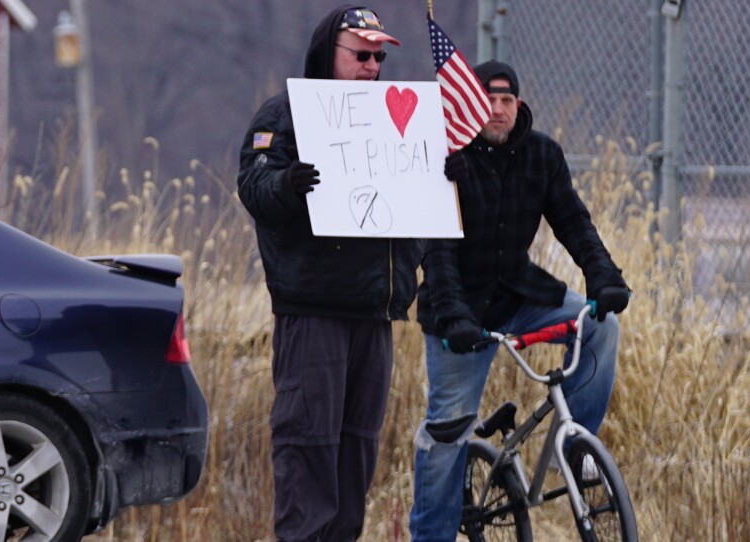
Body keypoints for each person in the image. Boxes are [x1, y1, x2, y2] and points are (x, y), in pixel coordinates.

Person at [408, 60, 631, 541]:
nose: (497, 109)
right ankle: (430, 536)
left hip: (520, 296)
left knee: (599, 326)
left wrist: (604, 276)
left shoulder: (542, 155)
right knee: (448, 436)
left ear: (519, 105)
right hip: (458, 314)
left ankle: (578, 448)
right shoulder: (449, 158)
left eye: (506, 101)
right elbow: (437, 252)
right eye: (488, 100)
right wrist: (453, 317)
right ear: (469, 104)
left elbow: (573, 222)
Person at [236, 6, 422, 541]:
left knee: (356, 449)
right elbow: (255, 187)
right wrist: (288, 186)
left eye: (378, 57)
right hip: (314, 307)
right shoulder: (285, 115)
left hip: (374, 308)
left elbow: (420, 213)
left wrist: (440, 178)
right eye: (360, 55)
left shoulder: (395, 119)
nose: (371, 67)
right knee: (307, 442)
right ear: (329, 54)